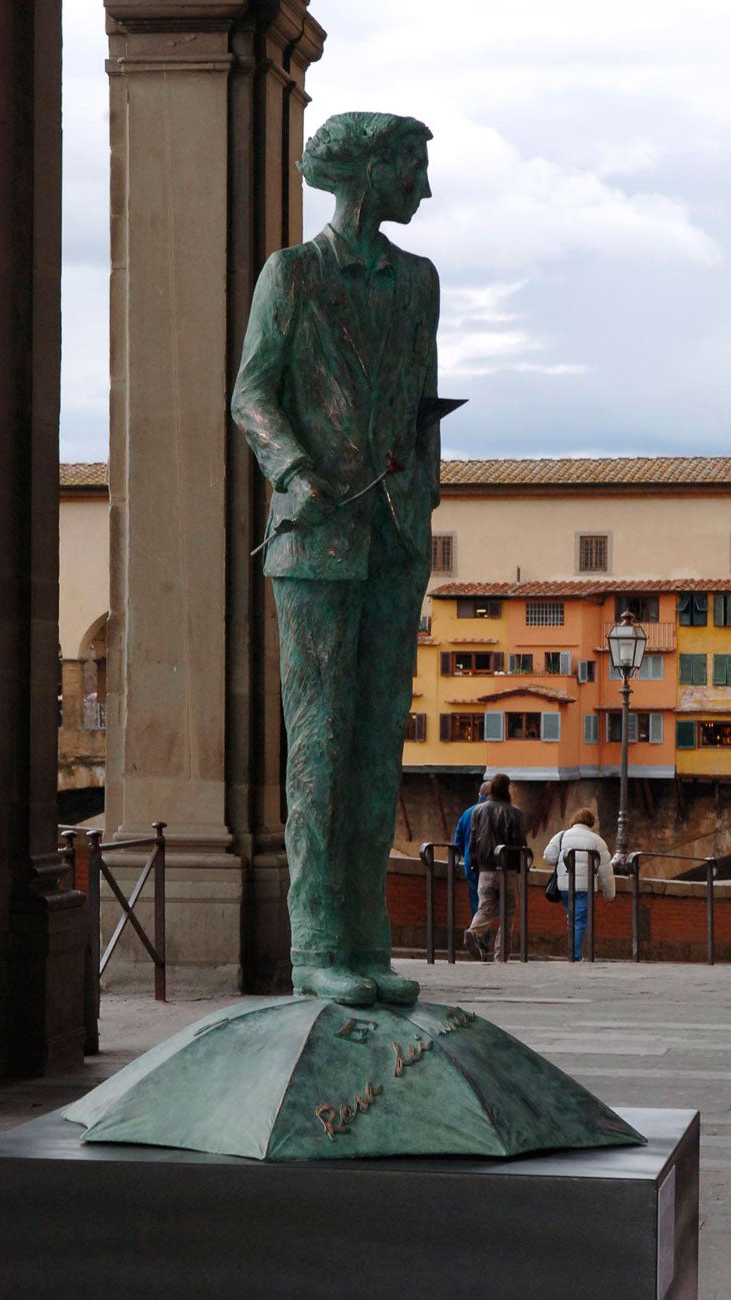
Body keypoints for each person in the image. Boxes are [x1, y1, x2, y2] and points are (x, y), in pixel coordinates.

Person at [231, 112, 440, 1007]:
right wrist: (294, 468)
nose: (422, 189)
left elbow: (420, 397)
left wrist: (424, 489)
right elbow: (251, 394)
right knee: (318, 743)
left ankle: (365, 942)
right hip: (314, 536)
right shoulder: (294, 274)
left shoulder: (419, 281)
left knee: (375, 744)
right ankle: (317, 945)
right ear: (365, 174)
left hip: (394, 532)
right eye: (411, 170)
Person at [464, 773, 526, 961]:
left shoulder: (478, 811)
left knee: (485, 907)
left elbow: (473, 840)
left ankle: (474, 932)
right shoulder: (514, 812)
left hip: (485, 868)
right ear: (507, 788)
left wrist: (476, 863)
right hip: (507, 869)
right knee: (507, 912)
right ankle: (502, 955)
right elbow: (519, 841)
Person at [543, 807, 615, 961]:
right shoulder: (597, 841)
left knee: (571, 917)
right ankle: (575, 955)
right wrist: (609, 893)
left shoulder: (561, 836)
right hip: (585, 887)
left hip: (564, 885)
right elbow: (606, 869)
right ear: (591, 823)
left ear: (574, 820)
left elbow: (548, 857)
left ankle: (572, 952)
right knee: (580, 920)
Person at [454, 781, 491, 925]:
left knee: (476, 904)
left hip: (471, 865)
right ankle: (484, 938)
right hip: (490, 865)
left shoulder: (467, 813)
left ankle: (477, 936)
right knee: (496, 904)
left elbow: (458, 842)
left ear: (479, 794)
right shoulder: (495, 812)